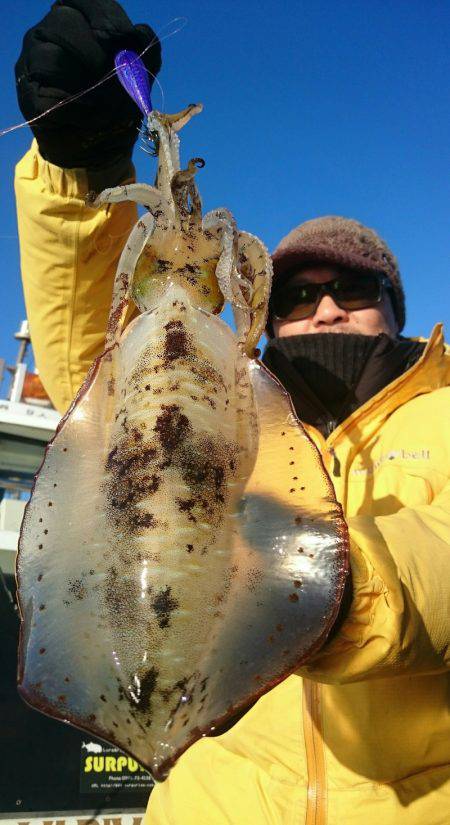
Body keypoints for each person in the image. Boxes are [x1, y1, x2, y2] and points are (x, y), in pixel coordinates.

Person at [14, 2, 450, 823]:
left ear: (395, 306)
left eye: (353, 291)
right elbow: (92, 366)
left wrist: (335, 591)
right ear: (262, 305)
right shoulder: (207, 381)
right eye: (302, 292)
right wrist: (79, 165)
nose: (325, 309)